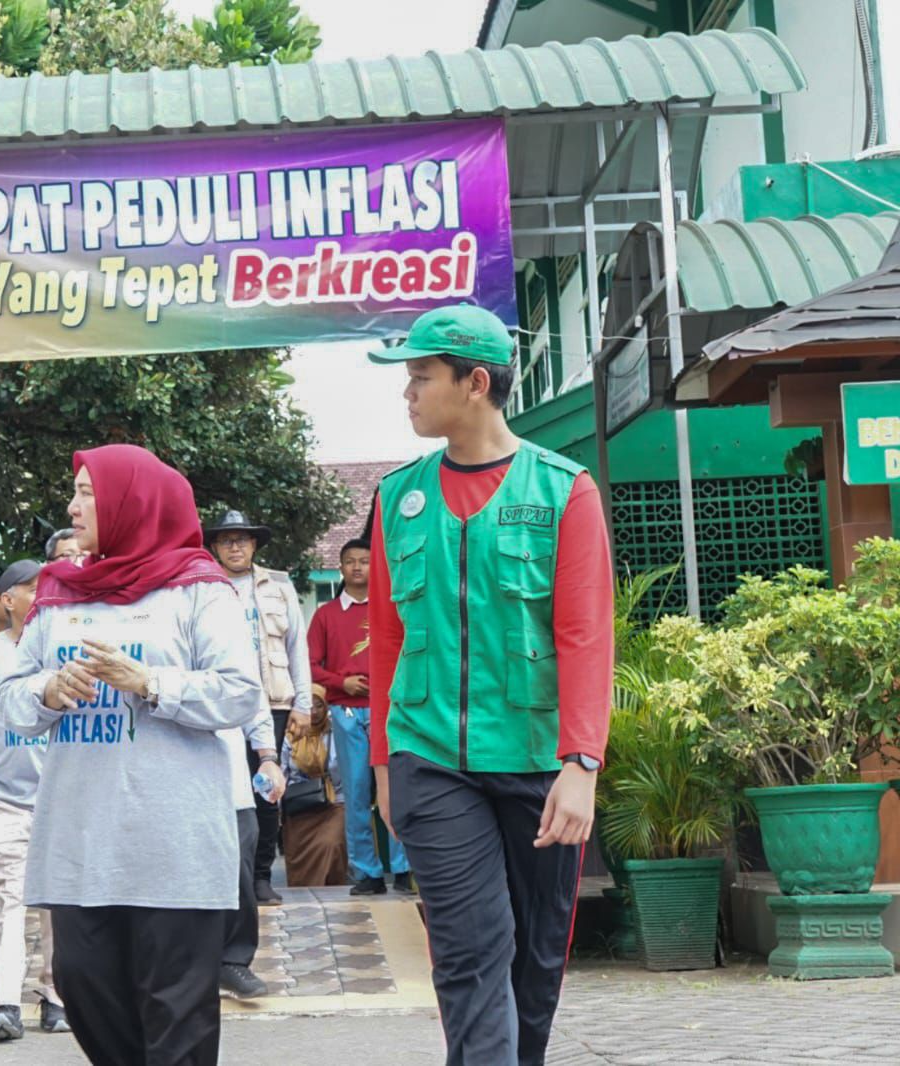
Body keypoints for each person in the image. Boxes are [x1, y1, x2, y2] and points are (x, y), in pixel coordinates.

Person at [367, 305, 613, 1066]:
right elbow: (388, 641)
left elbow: (584, 637)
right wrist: (383, 764)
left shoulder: (564, 492)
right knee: (471, 954)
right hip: (429, 757)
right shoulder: (396, 498)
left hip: (540, 763)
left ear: (476, 383)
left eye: (420, 377)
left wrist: (581, 763)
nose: (407, 393)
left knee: (534, 962)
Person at [0, 444, 263, 1066]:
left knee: (176, 1009)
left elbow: (241, 692)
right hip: (81, 838)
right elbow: (10, 696)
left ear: (132, 501)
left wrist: (149, 683)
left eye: (88, 492)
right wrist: (48, 689)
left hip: (175, 840)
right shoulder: (60, 591)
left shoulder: (199, 589)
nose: (73, 505)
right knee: (84, 985)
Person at [0, 558, 70, 1041]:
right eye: (32, 588)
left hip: (63, 798)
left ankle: (57, 998)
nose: (43, 595)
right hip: (4, 798)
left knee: (59, 907)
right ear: (8, 600)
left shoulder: (66, 651)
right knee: (8, 899)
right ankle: (6, 1003)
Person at [204, 510, 312, 906]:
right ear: (215, 546)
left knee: (267, 789)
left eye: (243, 539)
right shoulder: (204, 586)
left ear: (254, 545)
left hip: (273, 701)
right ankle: (230, 877)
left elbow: (296, 645)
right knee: (225, 787)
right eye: (227, 540)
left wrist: (302, 704)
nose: (235, 546)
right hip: (221, 703)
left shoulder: (278, 587)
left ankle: (261, 877)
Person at [307, 537, 411, 896]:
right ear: (341, 568)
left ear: (375, 566)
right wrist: (341, 682)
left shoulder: (392, 609)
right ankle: (366, 871)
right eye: (350, 561)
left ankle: (403, 867)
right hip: (346, 711)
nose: (357, 567)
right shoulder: (325, 615)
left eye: (364, 561)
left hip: (390, 711)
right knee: (355, 793)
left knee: (395, 789)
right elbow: (309, 665)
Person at [217, 701, 283, 1000]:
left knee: (241, 867)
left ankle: (233, 961)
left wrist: (268, 757)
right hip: (171, 786)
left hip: (232, 786)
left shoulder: (235, 653)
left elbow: (252, 701)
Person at [279, 708, 351, 888]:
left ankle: (333, 889)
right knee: (298, 854)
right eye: (309, 706)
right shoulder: (289, 736)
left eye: (319, 705)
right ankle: (302, 892)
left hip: (335, 801)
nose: (314, 712)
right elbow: (282, 773)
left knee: (331, 844)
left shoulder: (336, 733)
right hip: (299, 805)